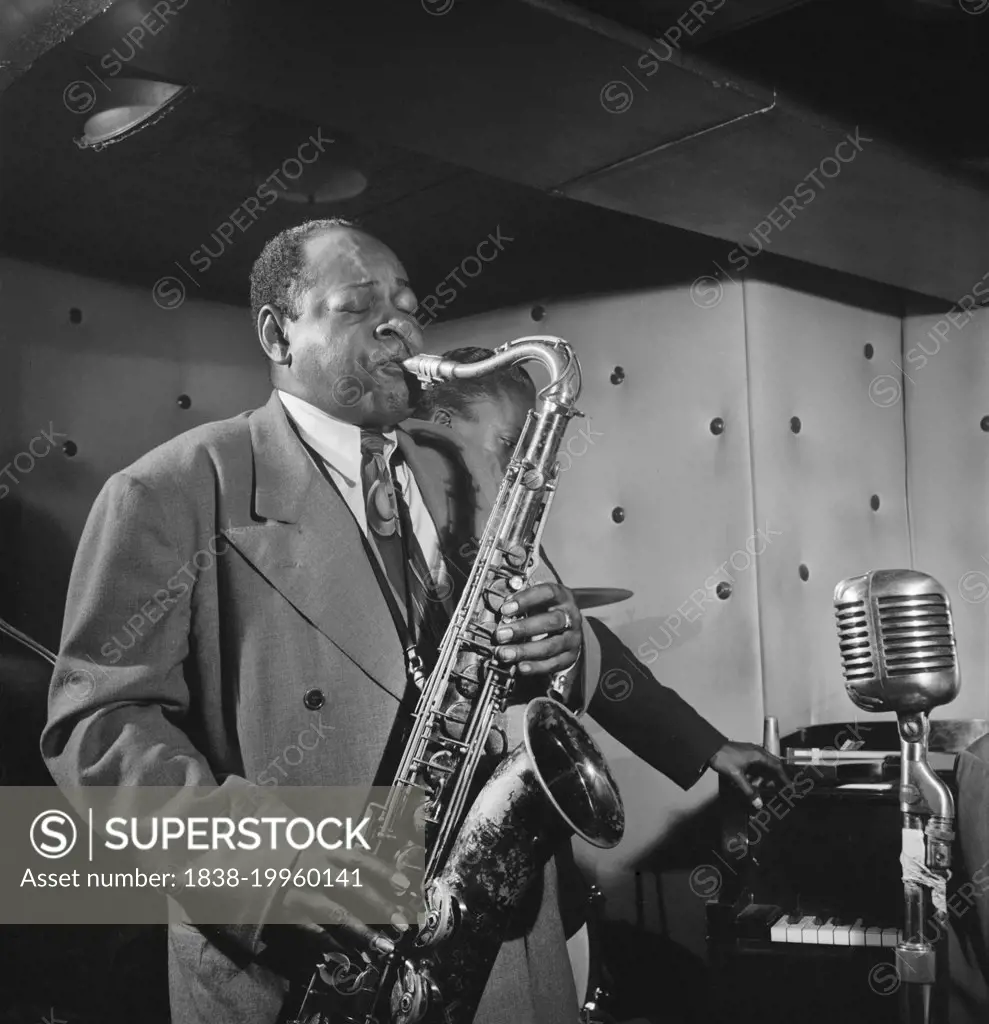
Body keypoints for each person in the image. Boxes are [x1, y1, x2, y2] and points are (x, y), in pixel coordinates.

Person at [41, 218, 605, 1024]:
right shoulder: (168, 489)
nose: (399, 327)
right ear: (277, 334)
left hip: (505, 951)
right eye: (358, 307)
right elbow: (98, 729)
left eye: (409, 308)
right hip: (310, 967)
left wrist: (561, 646)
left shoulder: (458, 472)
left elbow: (521, 656)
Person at [407, 345, 787, 812]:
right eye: (511, 445)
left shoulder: (493, 519)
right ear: (443, 424)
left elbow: (582, 644)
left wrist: (709, 747)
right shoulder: (385, 505)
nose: (524, 468)